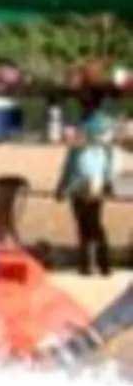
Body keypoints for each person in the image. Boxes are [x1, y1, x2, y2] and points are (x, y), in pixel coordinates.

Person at [58, 111, 116, 277]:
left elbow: (106, 165)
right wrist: (62, 186)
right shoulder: (79, 150)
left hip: (91, 184)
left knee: (92, 224)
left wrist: (106, 181)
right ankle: (88, 264)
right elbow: (68, 167)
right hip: (79, 185)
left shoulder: (98, 147)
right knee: (85, 224)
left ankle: (100, 263)